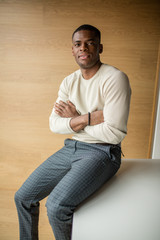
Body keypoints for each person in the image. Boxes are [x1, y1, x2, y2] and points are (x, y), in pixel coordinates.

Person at [15, 24, 131, 240]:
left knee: (57, 206)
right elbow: (54, 124)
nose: (83, 48)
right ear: (72, 49)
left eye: (90, 43)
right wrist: (90, 117)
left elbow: (115, 133)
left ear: (100, 48)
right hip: (72, 147)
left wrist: (76, 119)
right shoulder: (69, 81)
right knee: (23, 197)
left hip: (103, 152)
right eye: (78, 44)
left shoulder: (115, 79)